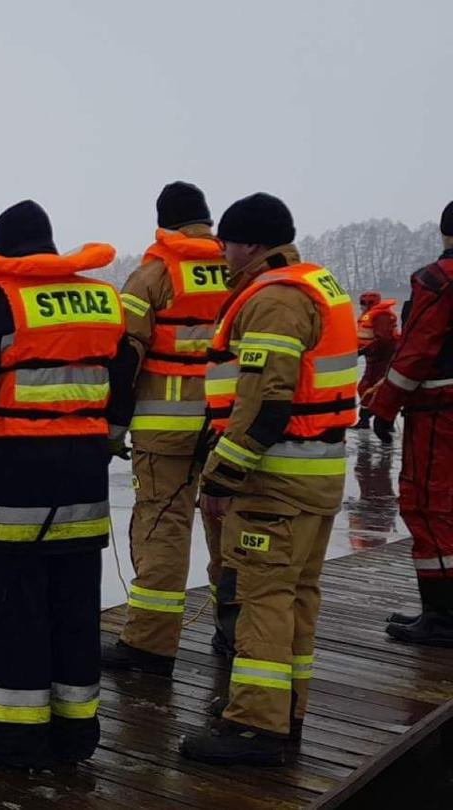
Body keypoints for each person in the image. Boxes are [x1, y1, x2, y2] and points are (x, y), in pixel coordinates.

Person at [0, 200, 136, 769]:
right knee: (73, 613)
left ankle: (9, 738)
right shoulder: (100, 304)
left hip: (7, 498)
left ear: (0, 251)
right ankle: (73, 735)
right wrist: (99, 444)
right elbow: (123, 384)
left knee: (9, 615)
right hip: (83, 494)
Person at [181, 193, 356, 767]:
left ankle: (255, 726)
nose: (222, 254)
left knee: (261, 599)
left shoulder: (275, 301)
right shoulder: (317, 288)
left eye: (228, 243)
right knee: (297, 597)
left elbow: (265, 405)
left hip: (274, 481)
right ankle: (288, 714)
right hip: (318, 478)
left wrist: (220, 477)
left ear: (252, 244)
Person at [102, 182, 233, 677]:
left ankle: (150, 646)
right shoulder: (243, 272)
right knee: (230, 526)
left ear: (163, 222)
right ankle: (234, 631)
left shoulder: (154, 274)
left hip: (165, 430)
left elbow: (124, 354)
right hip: (229, 428)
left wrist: (113, 425)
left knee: (162, 529)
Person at [365, 200, 453, 646]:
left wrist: (383, 406)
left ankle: (441, 617)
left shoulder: (438, 280)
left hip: (439, 409)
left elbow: (418, 349)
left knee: (429, 506)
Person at [355, 290, 401, 431]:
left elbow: (384, 340)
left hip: (382, 358)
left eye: (368, 303)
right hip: (374, 358)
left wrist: (364, 350)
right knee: (367, 387)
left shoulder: (381, 316)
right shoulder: (371, 316)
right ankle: (367, 419)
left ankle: (380, 421)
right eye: (363, 303)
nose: (365, 306)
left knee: (374, 388)